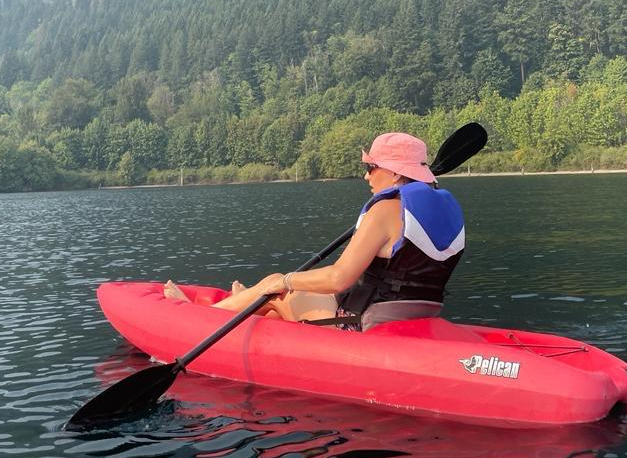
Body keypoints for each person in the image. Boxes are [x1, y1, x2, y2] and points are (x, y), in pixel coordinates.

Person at [164, 132, 465, 331]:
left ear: (396, 171)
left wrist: (286, 281)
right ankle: (244, 305)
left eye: (372, 167)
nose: (366, 175)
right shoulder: (445, 207)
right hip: (419, 318)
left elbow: (339, 279)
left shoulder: (384, 211)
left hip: (369, 325)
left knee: (274, 288)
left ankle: (194, 321)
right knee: (272, 306)